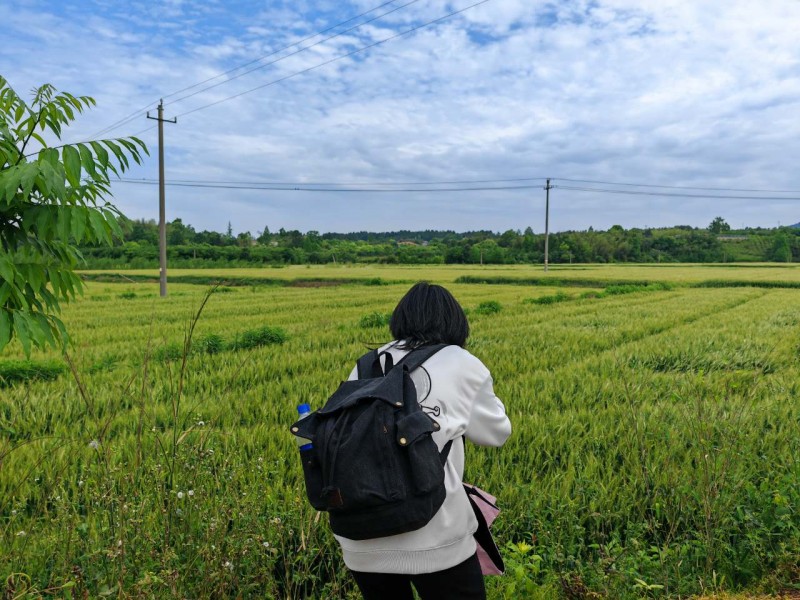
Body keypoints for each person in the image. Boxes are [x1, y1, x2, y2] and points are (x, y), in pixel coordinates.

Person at [336, 282, 512, 600]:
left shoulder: (366, 364)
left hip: (361, 537)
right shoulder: (461, 362)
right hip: (436, 538)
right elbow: (496, 433)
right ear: (456, 322)